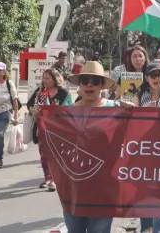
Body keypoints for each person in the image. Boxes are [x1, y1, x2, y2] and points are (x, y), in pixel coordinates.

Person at [63, 61, 122, 232]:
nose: (90, 84)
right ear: (80, 84)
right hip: (74, 185)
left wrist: (132, 112)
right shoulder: (66, 112)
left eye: (95, 81)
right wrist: (41, 118)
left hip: (105, 185)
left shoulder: (116, 109)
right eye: (85, 80)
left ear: (102, 85)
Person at [132, 62, 160, 233]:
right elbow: (131, 115)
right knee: (144, 190)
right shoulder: (139, 94)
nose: (157, 78)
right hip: (143, 149)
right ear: (147, 78)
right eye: (153, 75)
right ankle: (146, 227)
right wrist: (142, 111)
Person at [27, 68, 73, 191]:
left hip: (57, 130)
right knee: (44, 154)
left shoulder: (64, 93)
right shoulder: (40, 91)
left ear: (55, 79)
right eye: (44, 78)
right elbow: (29, 104)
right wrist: (33, 111)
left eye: (48, 78)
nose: (44, 80)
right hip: (41, 128)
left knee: (54, 154)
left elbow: (69, 110)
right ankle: (47, 177)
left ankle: (53, 180)